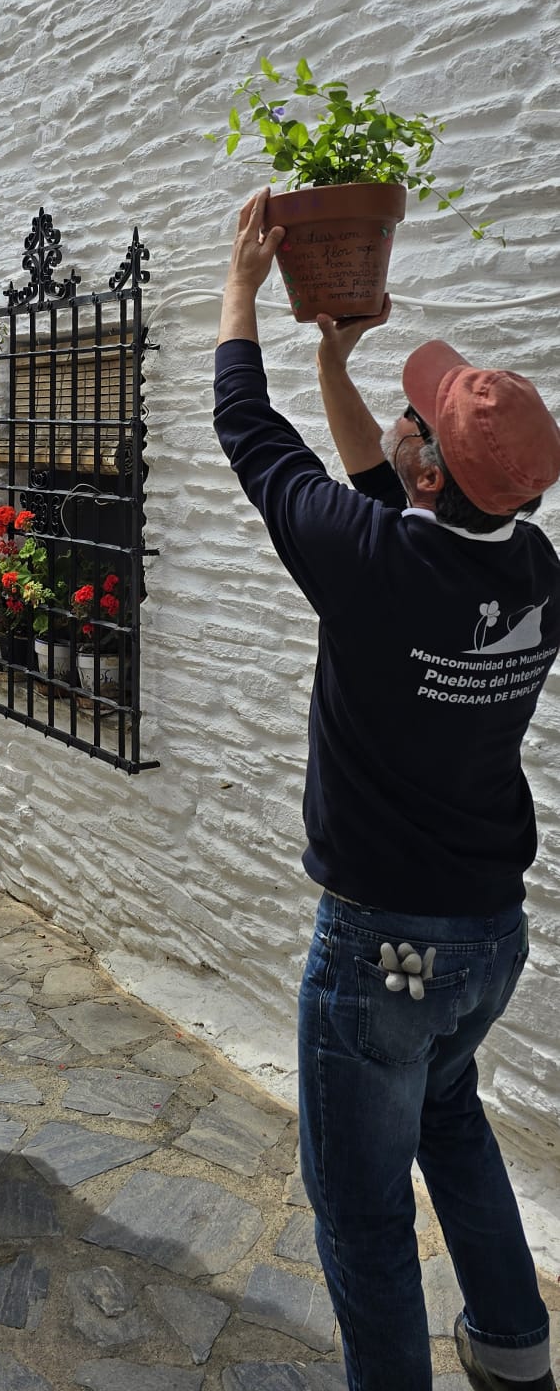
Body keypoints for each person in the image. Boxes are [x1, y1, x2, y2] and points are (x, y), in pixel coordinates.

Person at [213, 190, 560, 1391]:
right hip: (486, 938)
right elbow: (379, 488)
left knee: (360, 1208)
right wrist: (335, 360)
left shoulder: (379, 563)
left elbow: (253, 441)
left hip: (388, 948)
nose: (402, 428)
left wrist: (243, 291)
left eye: (416, 420)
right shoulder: (532, 569)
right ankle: (516, 1352)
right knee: (452, 1119)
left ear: (430, 466)